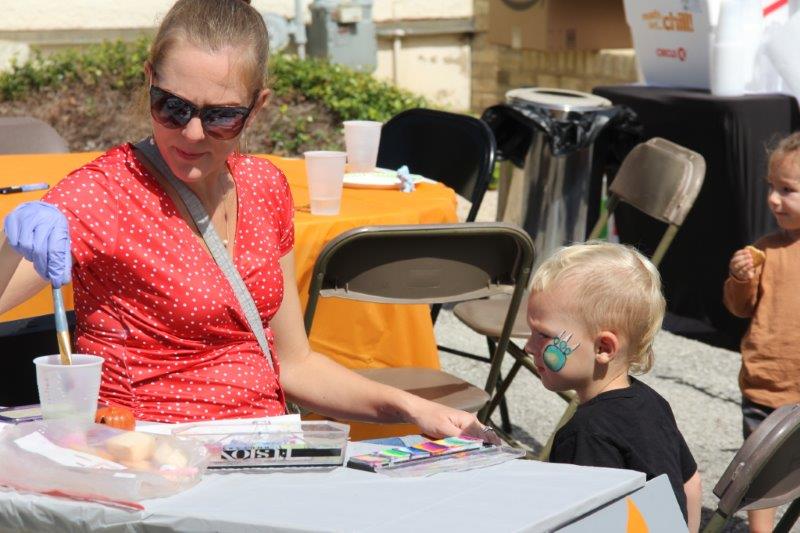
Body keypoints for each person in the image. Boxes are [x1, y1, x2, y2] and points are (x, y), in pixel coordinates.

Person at [0, 0, 493, 441]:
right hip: (150, 457)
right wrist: (11, 242)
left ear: (257, 107)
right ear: (149, 81)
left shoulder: (264, 187)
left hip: (265, 452)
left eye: (220, 116)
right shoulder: (102, 193)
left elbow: (295, 365)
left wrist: (412, 407)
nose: (192, 133)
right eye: (172, 107)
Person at [524, 241, 701, 532]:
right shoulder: (652, 403)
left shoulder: (586, 434)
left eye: (542, 335)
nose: (529, 346)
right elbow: (690, 483)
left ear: (604, 348)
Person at [723, 132, 800, 533]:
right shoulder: (764, 250)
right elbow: (739, 307)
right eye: (771, 187)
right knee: (758, 474)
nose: (772, 199)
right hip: (763, 385)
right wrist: (741, 278)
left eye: (787, 190)